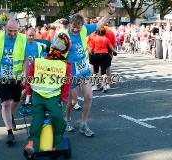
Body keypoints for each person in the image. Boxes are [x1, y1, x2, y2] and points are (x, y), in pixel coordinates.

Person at [61, 3, 116, 137]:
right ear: (70, 25)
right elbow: (55, 54)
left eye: (78, 28)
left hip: (83, 70)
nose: (76, 30)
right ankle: (67, 120)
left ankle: (83, 124)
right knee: (73, 101)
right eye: (74, 27)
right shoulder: (63, 36)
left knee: (89, 97)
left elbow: (99, 24)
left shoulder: (85, 29)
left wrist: (109, 13)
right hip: (71, 73)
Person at [0, 18, 29, 145]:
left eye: (15, 31)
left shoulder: (23, 39)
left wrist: (24, 74)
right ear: (5, 28)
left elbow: (25, 59)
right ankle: (9, 132)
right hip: (0, 75)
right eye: (10, 31)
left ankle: (10, 115)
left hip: (16, 77)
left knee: (17, 100)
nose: (12, 33)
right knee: (5, 103)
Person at [24, 32, 72, 154]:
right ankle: (56, 144)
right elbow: (67, 84)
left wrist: (28, 94)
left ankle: (33, 144)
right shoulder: (65, 65)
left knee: (37, 120)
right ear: (66, 51)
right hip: (51, 98)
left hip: (40, 97)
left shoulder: (38, 61)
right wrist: (63, 99)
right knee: (58, 120)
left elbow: (29, 78)